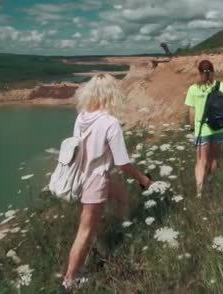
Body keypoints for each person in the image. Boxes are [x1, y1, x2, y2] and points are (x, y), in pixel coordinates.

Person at [62, 73, 151, 290]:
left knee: (122, 196)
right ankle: (70, 279)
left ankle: (120, 232)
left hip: (81, 176)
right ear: (112, 95)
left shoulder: (82, 116)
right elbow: (122, 163)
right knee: (85, 230)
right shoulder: (110, 123)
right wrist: (143, 179)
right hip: (96, 180)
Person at [184, 60, 223, 197]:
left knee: (201, 162)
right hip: (219, 129)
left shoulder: (193, 89)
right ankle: (212, 184)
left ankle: (199, 193)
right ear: (213, 71)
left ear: (199, 73)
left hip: (202, 129)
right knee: (214, 159)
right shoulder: (221, 86)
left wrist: (192, 127)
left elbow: (191, 112)